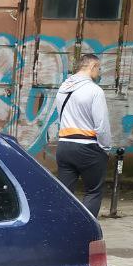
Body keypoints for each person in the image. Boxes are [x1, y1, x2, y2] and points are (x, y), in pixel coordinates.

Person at [52, 53, 113, 218]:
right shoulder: (94, 91)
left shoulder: (63, 88)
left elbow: (60, 118)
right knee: (93, 191)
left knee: (65, 193)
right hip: (88, 148)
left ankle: (62, 230)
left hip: (64, 145)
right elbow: (101, 125)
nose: (99, 73)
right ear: (92, 66)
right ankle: (86, 232)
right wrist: (106, 148)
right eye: (98, 69)